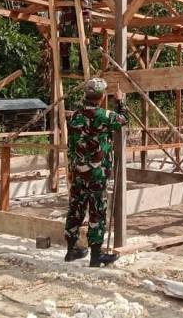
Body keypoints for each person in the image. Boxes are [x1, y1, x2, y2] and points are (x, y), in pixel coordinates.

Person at [64, 77, 129, 267]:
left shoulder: (75, 116)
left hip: (78, 172)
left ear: (86, 94)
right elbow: (124, 118)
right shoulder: (103, 116)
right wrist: (120, 101)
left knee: (75, 208)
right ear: (101, 97)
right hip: (97, 174)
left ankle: (71, 250)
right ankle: (96, 255)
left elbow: (71, 145)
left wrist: (70, 169)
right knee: (97, 213)